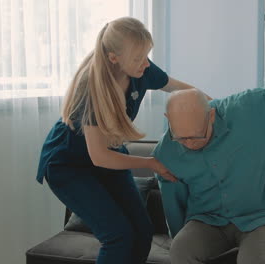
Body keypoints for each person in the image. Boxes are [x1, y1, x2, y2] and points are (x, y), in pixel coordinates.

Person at [36, 17, 203, 264]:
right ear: (114, 58)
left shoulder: (140, 68)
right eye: (138, 58)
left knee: (142, 232)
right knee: (118, 236)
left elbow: (179, 88)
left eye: (147, 55)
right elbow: (99, 156)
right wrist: (150, 163)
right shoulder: (91, 88)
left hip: (108, 152)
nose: (146, 63)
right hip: (69, 166)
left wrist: (213, 107)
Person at [152, 73, 265, 264]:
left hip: (261, 217)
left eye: (197, 135)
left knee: (251, 260)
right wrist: (180, 236)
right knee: (180, 250)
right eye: (181, 138)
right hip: (208, 220)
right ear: (168, 119)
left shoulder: (247, 111)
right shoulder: (165, 152)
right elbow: (174, 202)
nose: (190, 143)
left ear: (210, 115)